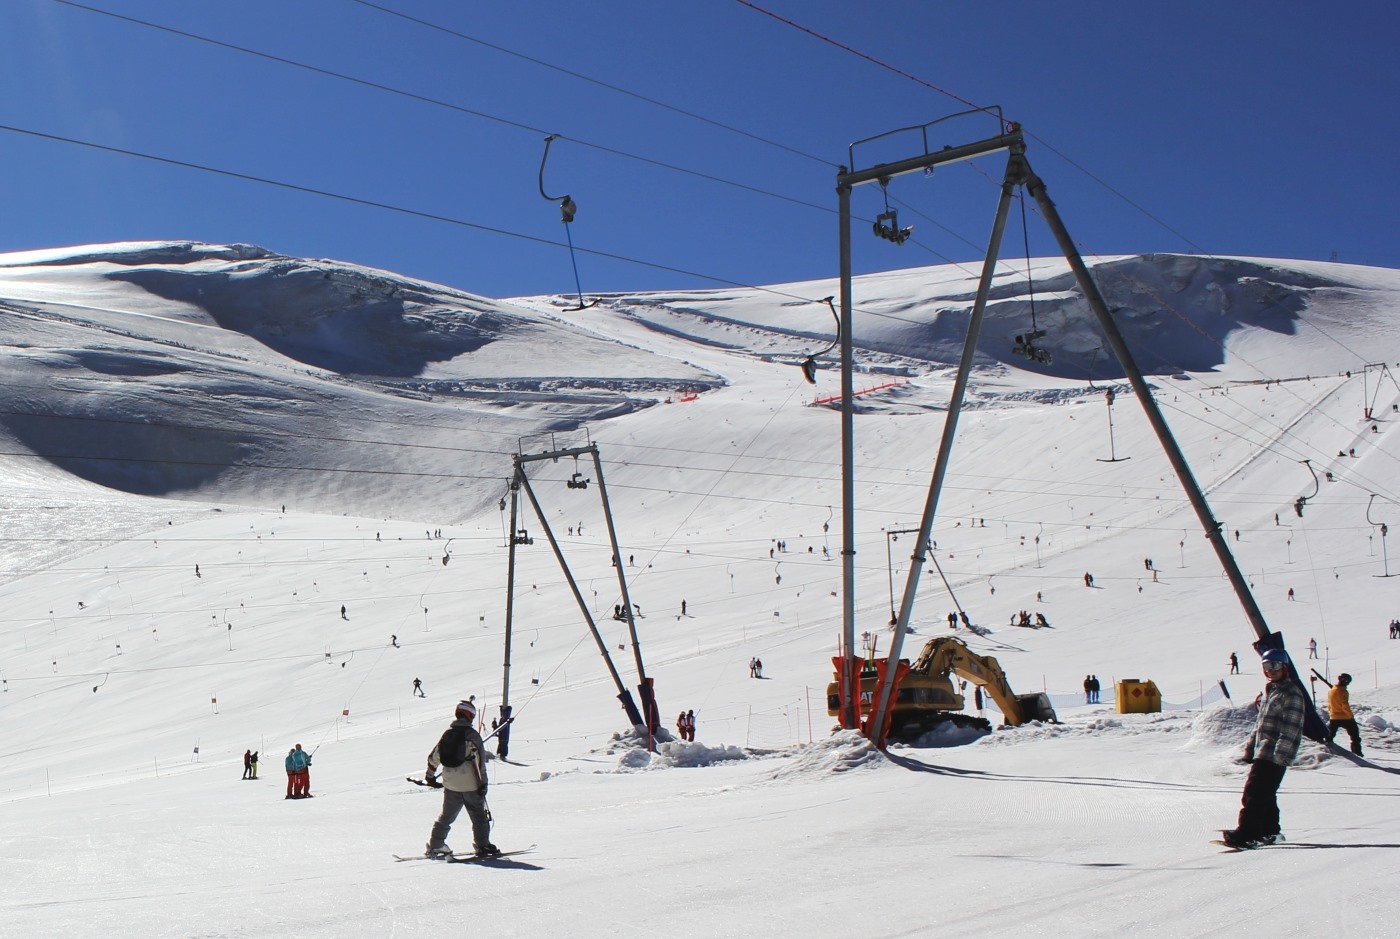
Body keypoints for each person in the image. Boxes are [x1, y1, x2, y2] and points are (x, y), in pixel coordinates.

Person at [1221, 648, 1308, 849]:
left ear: (1285, 668)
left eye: (1275, 666)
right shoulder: (1272, 691)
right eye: (1267, 667)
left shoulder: (1291, 693)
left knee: (1254, 793)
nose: (1271, 670)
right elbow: (1261, 725)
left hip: (1275, 754)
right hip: (1264, 751)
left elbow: (1291, 727)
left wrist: (1280, 754)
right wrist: (1251, 748)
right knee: (1265, 793)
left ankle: (1248, 834)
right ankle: (1270, 832)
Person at [424, 699, 498, 859]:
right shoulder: (473, 736)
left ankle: (436, 845)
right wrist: (483, 784)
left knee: (446, 816)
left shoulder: (448, 734)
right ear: (470, 716)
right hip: (470, 784)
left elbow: (433, 757)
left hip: (450, 783)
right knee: (478, 816)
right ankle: (482, 845)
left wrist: (429, 776)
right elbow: (480, 764)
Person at [1327, 673, 1363, 756]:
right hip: (1346, 718)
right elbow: (1345, 705)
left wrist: (1332, 712)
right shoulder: (1343, 691)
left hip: (1334, 717)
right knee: (1355, 737)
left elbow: (1329, 705)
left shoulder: (1331, 691)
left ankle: (1326, 750)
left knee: (1329, 736)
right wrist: (1350, 715)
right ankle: (1357, 754)